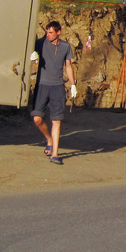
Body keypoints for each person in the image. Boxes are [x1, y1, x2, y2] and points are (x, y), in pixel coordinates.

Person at [30, 20, 77, 164]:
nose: (48, 35)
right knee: (37, 119)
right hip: (42, 85)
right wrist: (32, 55)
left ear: (58, 32)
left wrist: (73, 84)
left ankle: (55, 154)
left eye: (51, 32)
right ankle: (49, 138)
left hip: (57, 87)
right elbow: (26, 49)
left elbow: (68, 66)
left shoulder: (65, 46)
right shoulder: (41, 43)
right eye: (47, 32)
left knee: (56, 120)